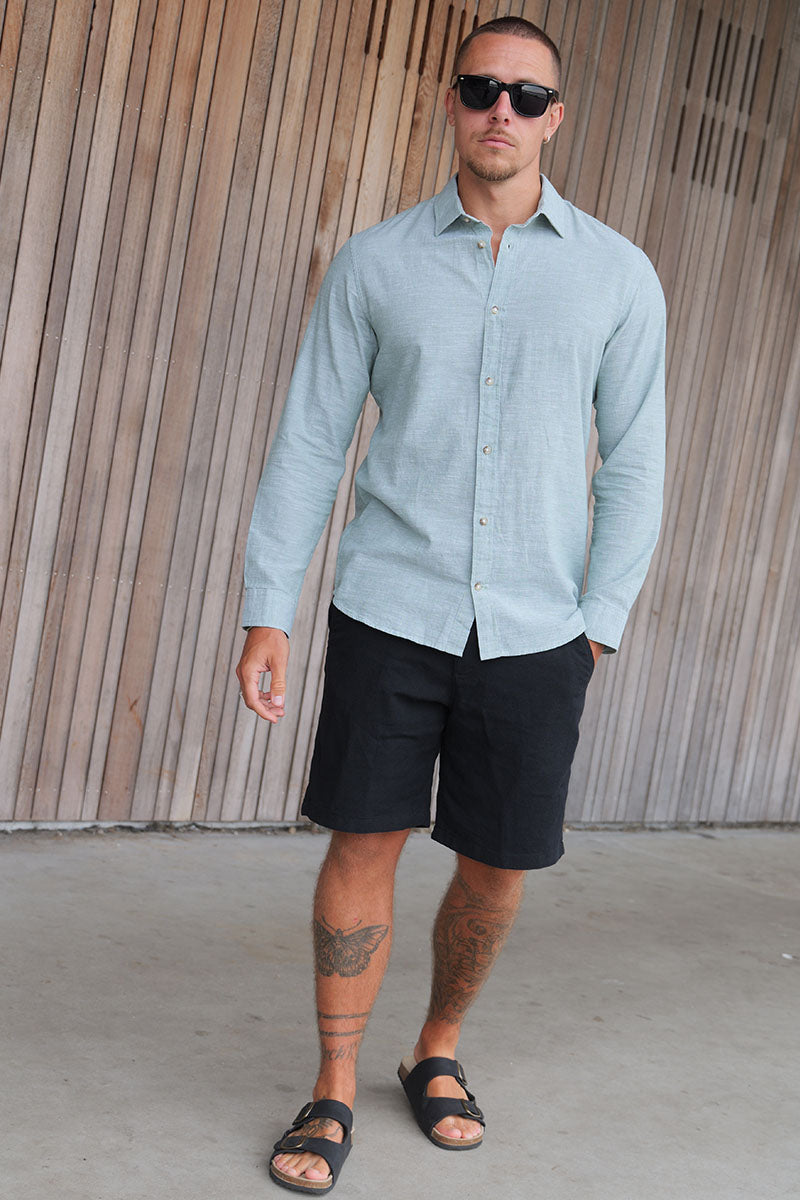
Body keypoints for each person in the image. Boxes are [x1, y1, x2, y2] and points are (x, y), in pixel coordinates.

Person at [236, 15, 666, 1194]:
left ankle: (434, 1049)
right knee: (362, 839)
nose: (500, 111)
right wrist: (268, 607)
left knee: (494, 861)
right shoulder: (374, 264)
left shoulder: (615, 275)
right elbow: (310, 440)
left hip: (537, 628)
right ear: (449, 102)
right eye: (480, 88)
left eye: (525, 96)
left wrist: (598, 620)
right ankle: (331, 1083)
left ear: (553, 118)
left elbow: (633, 462)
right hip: (391, 606)